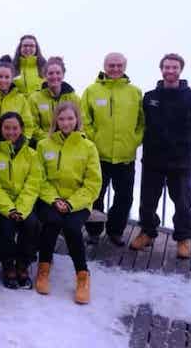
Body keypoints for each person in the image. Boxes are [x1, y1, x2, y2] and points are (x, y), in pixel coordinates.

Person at [130, 53, 191, 259]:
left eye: (174, 67)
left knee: (183, 202)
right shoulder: (150, 96)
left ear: (181, 70)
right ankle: (147, 232)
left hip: (180, 162)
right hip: (153, 159)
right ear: (161, 69)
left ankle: (183, 239)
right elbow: (143, 123)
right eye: (167, 67)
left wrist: (182, 145)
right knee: (147, 201)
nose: (170, 71)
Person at [35, 102, 101, 304]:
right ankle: (44, 267)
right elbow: (39, 178)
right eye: (61, 119)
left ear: (77, 120)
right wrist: (54, 199)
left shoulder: (88, 147)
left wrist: (71, 203)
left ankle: (82, 275)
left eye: (70, 118)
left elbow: (93, 183)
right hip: (50, 199)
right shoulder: (44, 145)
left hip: (78, 201)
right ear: (55, 121)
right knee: (51, 222)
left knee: (72, 228)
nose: (66, 123)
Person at [81, 53, 144, 246]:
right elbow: (84, 119)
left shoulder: (134, 92)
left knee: (124, 198)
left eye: (119, 65)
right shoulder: (92, 90)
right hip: (98, 156)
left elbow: (142, 122)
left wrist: (135, 140)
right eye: (111, 65)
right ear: (104, 66)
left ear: (124, 67)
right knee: (96, 196)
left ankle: (115, 231)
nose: (115, 69)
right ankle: (94, 231)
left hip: (125, 156)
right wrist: (94, 140)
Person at [0, 112, 41, 289]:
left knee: (31, 223)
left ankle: (23, 263)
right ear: (0, 129)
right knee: (6, 226)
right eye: (7, 128)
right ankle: (8, 263)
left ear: (22, 129)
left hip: (24, 203)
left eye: (15, 128)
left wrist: (21, 209)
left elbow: (33, 184)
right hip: (1, 204)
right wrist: (9, 209)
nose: (11, 132)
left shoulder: (32, 154)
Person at [28, 56, 80, 146]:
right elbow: (33, 126)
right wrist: (51, 139)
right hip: (45, 145)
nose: (54, 76)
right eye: (51, 73)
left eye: (58, 73)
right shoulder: (34, 99)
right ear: (45, 75)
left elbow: (81, 122)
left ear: (63, 75)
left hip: (70, 144)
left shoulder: (74, 98)